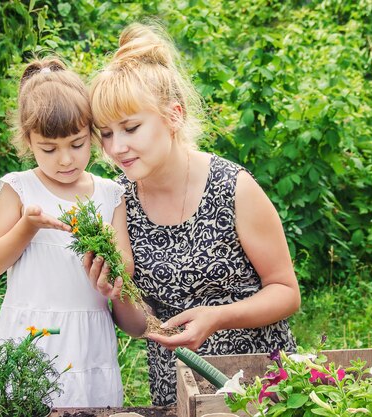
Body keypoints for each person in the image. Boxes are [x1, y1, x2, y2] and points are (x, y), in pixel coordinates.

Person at [83, 23, 301, 406]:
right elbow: (140, 326)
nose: (117, 147)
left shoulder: (233, 187)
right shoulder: (119, 200)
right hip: (177, 389)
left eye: (131, 128)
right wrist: (115, 294)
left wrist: (217, 316)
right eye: (106, 133)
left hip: (258, 381)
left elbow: (286, 293)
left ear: (174, 116)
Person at [0, 58, 139, 407]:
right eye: (49, 150)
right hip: (30, 336)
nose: (65, 160)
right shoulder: (19, 189)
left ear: (92, 135)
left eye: (77, 144)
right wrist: (26, 227)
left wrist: (110, 271)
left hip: (88, 338)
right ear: (28, 142)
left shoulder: (109, 193)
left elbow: (124, 263)